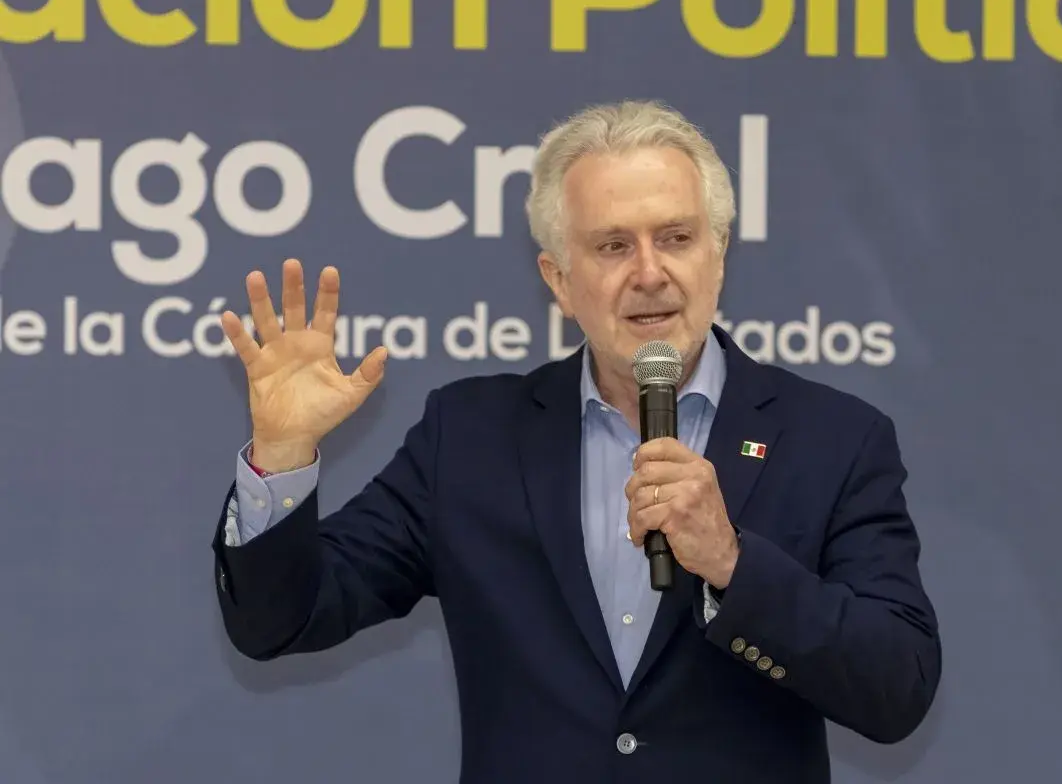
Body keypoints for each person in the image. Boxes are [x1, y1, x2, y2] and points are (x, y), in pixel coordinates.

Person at [210, 100, 941, 783]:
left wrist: (732, 563)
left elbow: (897, 689)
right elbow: (279, 621)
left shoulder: (833, 439)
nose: (649, 273)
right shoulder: (467, 437)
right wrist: (282, 452)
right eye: (613, 245)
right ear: (558, 280)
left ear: (718, 255)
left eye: (677, 238)